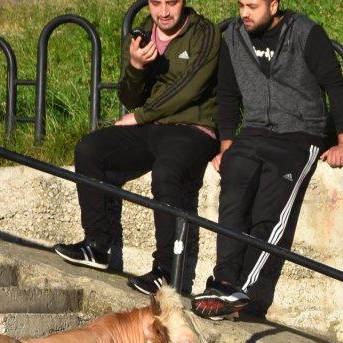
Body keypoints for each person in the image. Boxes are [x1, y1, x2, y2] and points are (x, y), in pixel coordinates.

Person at [191, 0, 343, 319]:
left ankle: (242, 291)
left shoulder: (306, 33)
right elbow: (228, 95)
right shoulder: (233, 37)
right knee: (233, 199)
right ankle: (223, 282)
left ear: (274, 5)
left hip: (299, 136)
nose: (244, 13)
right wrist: (227, 147)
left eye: (252, 6)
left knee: (269, 214)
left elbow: (335, 86)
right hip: (253, 132)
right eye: (241, 5)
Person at [54, 0, 219, 296]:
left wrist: (142, 116)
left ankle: (165, 271)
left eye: (172, 3)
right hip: (152, 127)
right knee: (90, 149)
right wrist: (136, 66)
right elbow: (129, 97)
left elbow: (189, 89)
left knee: (166, 172)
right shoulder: (143, 33)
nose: (163, 11)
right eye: (156, 3)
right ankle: (96, 245)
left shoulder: (204, 33)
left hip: (192, 129)